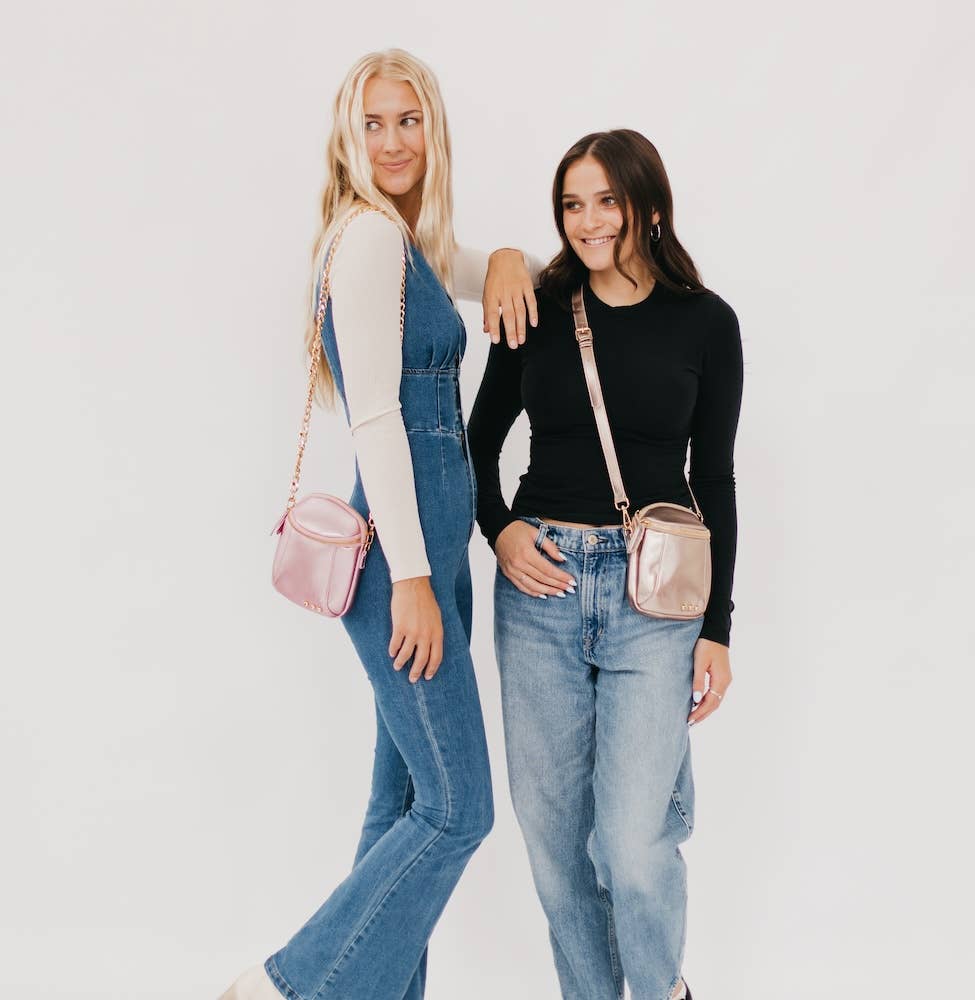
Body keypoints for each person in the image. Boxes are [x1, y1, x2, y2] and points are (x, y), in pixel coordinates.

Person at [221, 49, 539, 1000]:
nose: (394, 141)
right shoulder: (365, 239)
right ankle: (285, 985)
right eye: (374, 123)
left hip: (433, 552)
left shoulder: (404, 243)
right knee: (457, 810)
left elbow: (499, 273)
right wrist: (411, 579)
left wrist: (509, 256)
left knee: (399, 802)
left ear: (431, 130)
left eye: (410, 120)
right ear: (347, 139)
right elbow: (374, 420)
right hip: (408, 560)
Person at [468, 129, 744, 1000]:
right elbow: (477, 444)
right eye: (572, 204)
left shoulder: (707, 323)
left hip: (654, 596)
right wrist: (500, 530)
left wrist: (717, 629)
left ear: (648, 206)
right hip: (540, 588)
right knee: (555, 847)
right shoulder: (538, 309)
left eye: (607, 202)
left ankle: (662, 991)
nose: (588, 222)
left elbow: (715, 478)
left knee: (630, 844)